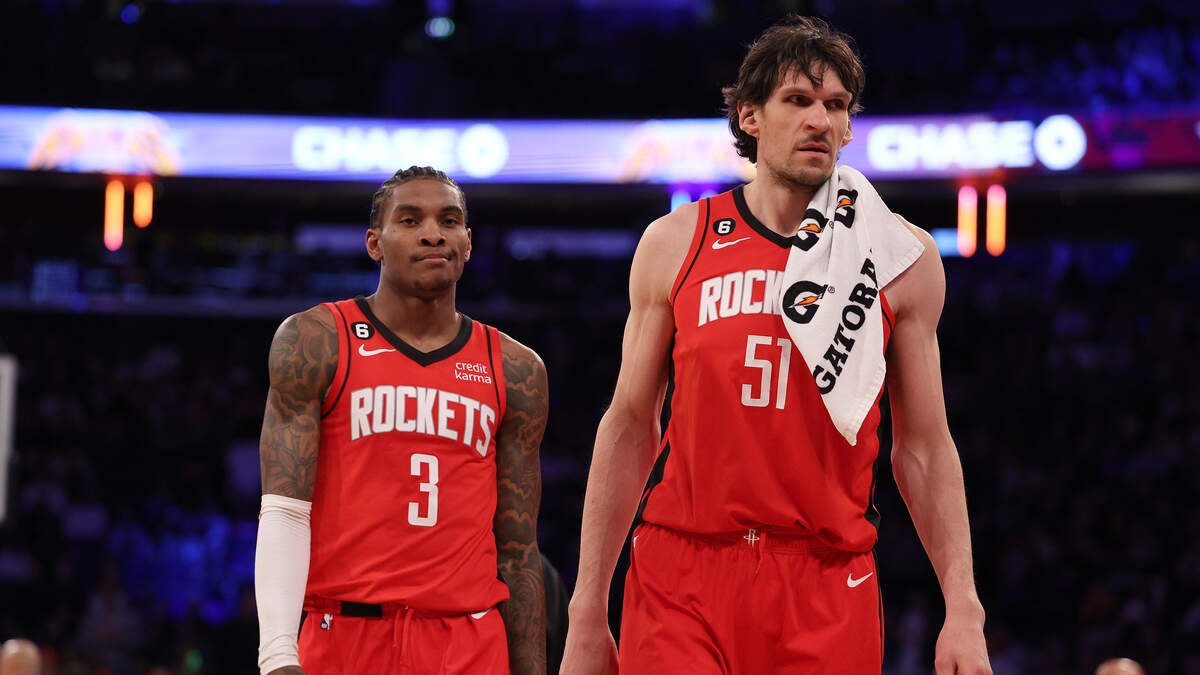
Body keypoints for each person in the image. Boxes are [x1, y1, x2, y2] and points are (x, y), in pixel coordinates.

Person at [561, 15, 991, 675]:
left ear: (848, 128)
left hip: (826, 580)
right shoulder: (676, 242)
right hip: (682, 571)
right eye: (798, 100)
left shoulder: (900, 257)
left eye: (836, 105)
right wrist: (587, 610)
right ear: (750, 117)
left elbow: (925, 447)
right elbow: (629, 425)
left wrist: (963, 607)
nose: (820, 119)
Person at [254, 166, 547, 675]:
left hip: (469, 642)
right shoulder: (316, 340)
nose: (433, 234)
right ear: (375, 243)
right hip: (346, 634)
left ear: (468, 242)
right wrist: (277, 653)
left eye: (449, 221)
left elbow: (518, 550)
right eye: (410, 220)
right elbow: (284, 511)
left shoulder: (516, 368)